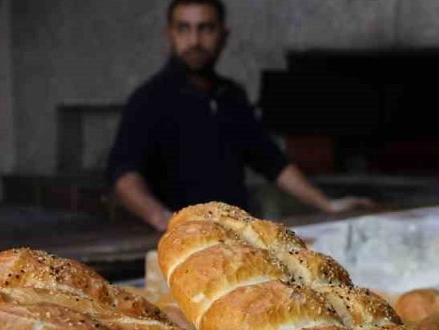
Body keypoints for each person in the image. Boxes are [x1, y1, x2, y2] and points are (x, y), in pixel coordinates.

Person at [105, 0, 372, 231]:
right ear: (169, 34)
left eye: (205, 28)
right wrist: (165, 220)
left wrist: (326, 203)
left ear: (223, 34)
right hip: (181, 242)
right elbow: (124, 176)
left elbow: (271, 162)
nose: (195, 41)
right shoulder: (149, 98)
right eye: (184, 28)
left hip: (235, 239)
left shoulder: (232, 95)